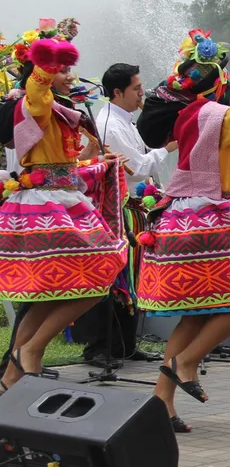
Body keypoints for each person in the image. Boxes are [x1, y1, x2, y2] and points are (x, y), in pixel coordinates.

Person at [135, 17, 230, 432]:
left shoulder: (187, 116)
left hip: (184, 217)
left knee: (195, 315)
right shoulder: (217, 116)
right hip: (210, 219)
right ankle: (187, 361)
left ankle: (161, 404)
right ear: (216, 84)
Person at [0, 18, 128, 391]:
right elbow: (37, 86)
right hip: (46, 206)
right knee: (98, 275)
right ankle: (30, 352)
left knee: (50, 293)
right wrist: (54, 48)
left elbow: (64, 165)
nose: (70, 76)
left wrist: (94, 159)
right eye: (63, 69)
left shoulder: (57, 108)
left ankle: (12, 375)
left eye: (69, 68)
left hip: (60, 199)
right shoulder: (36, 102)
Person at [77, 62, 176, 366]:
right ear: (118, 92)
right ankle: (100, 348)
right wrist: (169, 148)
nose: (142, 93)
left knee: (130, 277)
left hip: (131, 209)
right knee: (113, 278)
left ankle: (125, 345)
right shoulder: (110, 124)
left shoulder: (125, 121)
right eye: (136, 88)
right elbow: (138, 168)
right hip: (115, 210)